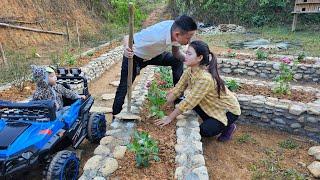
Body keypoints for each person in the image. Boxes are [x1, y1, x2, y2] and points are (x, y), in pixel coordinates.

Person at [155, 41, 241, 142]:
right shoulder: (189, 71)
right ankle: (215, 121)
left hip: (227, 110)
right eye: (186, 52)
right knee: (183, 101)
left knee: (204, 130)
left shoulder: (205, 78)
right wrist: (161, 107)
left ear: (199, 58)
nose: (185, 55)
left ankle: (228, 127)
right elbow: (178, 89)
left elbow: (190, 102)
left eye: (189, 54)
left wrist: (169, 118)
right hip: (211, 104)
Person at [112, 15, 197, 116]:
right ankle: (115, 116)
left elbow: (176, 54)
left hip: (155, 55)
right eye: (188, 38)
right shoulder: (155, 35)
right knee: (124, 87)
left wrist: (191, 60)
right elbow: (128, 37)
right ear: (177, 35)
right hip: (135, 58)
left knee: (176, 61)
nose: (189, 41)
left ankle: (178, 98)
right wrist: (126, 47)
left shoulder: (176, 29)